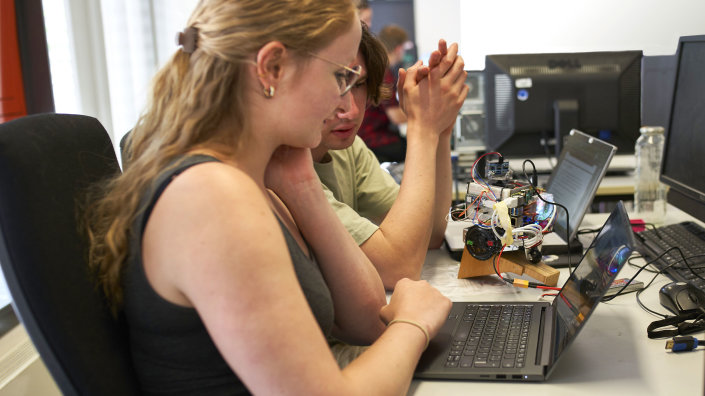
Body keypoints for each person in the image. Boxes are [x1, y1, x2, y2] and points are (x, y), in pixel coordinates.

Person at [86, 1, 450, 395]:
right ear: (271, 68)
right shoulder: (213, 198)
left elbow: (365, 320)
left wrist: (302, 182)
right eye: (341, 76)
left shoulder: (257, 176)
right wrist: (413, 323)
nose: (345, 103)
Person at [312, 23, 468, 289]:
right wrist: (422, 128)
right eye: (333, 83)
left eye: (359, 84)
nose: (350, 111)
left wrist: (441, 129)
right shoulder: (289, 168)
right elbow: (399, 268)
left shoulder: (348, 149)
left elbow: (429, 232)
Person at [357, 25, 411, 163]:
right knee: (415, 147)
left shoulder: (377, 67)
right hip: (371, 138)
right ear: (399, 48)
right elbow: (395, 116)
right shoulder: (384, 73)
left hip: (364, 136)